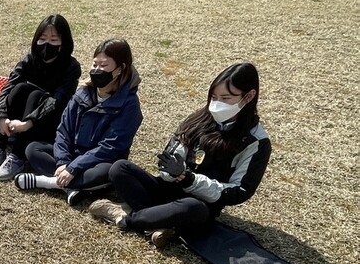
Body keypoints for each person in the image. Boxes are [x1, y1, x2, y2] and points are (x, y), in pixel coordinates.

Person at [88, 63, 270, 248]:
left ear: (249, 96)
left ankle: (126, 218)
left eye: (225, 98)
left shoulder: (256, 142)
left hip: (200, 203)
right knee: (120, 168)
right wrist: (171, 171)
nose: (216, 104)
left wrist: (189, 179)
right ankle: (163, 222)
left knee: (192, 208)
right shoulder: (199, 119)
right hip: (168, 189)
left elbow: (240, 192)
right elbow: (170, 157)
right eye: (213, 97)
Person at [15, 38, 142, 204]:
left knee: (110, 171)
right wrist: (63, 162)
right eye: (95, 64)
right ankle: (70, 186)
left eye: (104, 66)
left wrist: (74, 168)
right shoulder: (82, 93)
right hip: (72, 154)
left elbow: (110, 147)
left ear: (120, 69)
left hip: (100, 161)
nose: (97, 70)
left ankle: (47, 182)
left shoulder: (129, 104)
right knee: (33, 149)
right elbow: (63, 130)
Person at [0, 14, 81, 182]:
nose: (47, 44)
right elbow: (7, 88)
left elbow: (57, 102)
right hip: (18, 123)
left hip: (49, 122)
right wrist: (1, 116)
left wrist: (28, 123)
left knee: (36, 94)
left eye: (54, 40)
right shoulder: (29, 60)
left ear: (63, 43)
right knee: (20, 88)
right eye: (43, 38)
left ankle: (17, 156)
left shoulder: (71, 67)